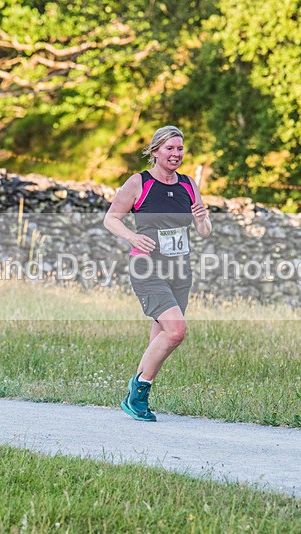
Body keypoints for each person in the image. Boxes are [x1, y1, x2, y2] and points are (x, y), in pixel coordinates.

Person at [103, 125, 212, 421]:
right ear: (155, 151)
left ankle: (137, 398)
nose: (176, 154)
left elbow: (203, 230)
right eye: (169, 149)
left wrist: (203, 219)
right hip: (147, 266)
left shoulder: (188, 183)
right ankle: (136, 391)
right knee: (177, 331)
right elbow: (111, 218)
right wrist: (133, 237)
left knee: (161, 338)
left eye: (180, 149)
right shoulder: (139, 182)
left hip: (179, 269)